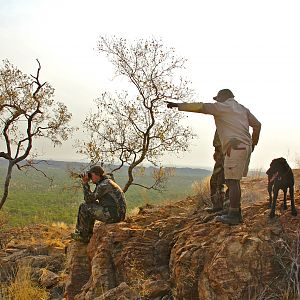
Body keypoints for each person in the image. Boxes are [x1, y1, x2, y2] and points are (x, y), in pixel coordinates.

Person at [166, 89, 261, 225]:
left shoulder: (222, 107)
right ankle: (234, 211)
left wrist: (178, 106)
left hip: (234, 147)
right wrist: (253, 142)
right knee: (234, 181)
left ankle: (233, 215)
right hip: (245, 147)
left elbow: (201, 107)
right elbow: (257, 125)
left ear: (223, 98)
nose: (216, 101)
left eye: (218, 99)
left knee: (232, 181)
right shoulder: (242, 109)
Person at [71, 165, 126, 243]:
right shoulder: (106, 182)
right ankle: (86, 234)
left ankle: (83, 236)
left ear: (97, 175)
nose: (90, 177)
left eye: (91, 175)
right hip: (117, 214)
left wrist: (85, 184)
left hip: (114, 215)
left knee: (84, 207)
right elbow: (91, 200)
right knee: (90, 206)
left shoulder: (104, 185)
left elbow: (88, 199)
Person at [205, 130, 228, 213]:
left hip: (226, 153)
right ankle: (218, 206)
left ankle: (227, 208)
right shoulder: (222, 118)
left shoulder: (228, 119)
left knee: (226, 181)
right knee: (216, 181)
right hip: (221, 152)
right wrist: (216, 151)